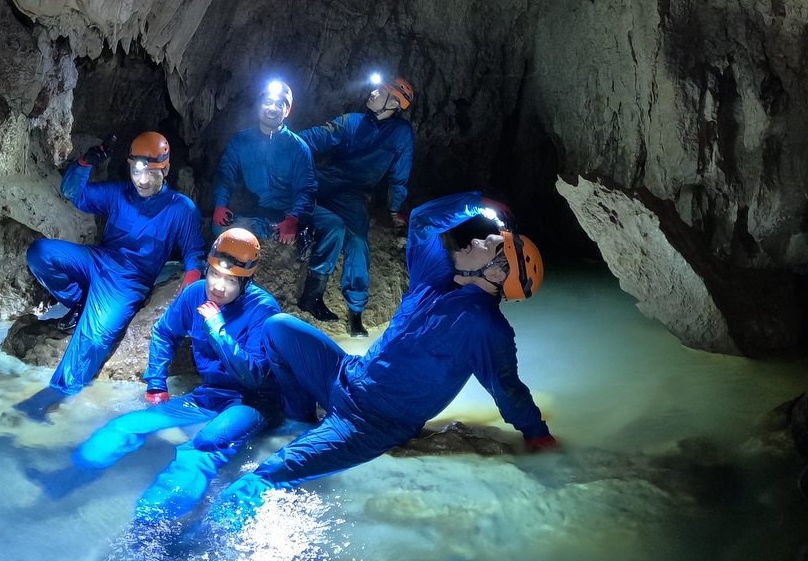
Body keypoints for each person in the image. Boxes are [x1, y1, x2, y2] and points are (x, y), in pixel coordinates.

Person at [205, 192, 556, 524]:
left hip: (372, 422)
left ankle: (191, 545)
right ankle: (300, 419)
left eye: (490, 245)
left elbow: (507, 389)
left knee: (269, 474)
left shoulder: (484, 326)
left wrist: (538, 436)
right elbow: (421, 221)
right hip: (346, 375)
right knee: (277, 327)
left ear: (496, 273)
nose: (477, 239)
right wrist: (474, 203)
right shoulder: (437, 277)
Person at [44, 228, 283, 527]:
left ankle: (151, 524)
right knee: (124, 426)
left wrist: (217, 328)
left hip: (252, 401)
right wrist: (156, 381)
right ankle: (70, 478)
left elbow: (255, 377)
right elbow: (164, 332)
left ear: (246, 282)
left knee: (203, 446)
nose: (218, 287)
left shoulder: (262, 310)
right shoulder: (196, 293)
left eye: (231, 280)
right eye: (214, 274)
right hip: (210, 394)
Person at [14, 131, 205, 418]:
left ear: (165, 168)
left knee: (95, 335)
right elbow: (73, 193)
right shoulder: (119, 193)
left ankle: (54, 395)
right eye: (135, 170)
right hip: (98, 259)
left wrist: (191, 278)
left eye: (150, 172)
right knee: (40, 253)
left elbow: (194, 252)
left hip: (128, 280)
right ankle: (79, 302)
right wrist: (84, 163)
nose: (141, 179)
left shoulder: (180, 208)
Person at [296, 74, 416, 334]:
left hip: (353, 193)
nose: (372, 92)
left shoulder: (401, 134)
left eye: (380, 91)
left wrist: (395, 208)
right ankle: (312, 292)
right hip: (324, 179)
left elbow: (400, 174)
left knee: (358, 241)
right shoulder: (352, 121)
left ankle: (355, 312)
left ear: (394, 104)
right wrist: (286, 141)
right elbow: (318, 136)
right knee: (299, 191)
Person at [211, 79, 315, 244]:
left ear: (287, 111)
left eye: (279, 104)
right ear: (259, 105)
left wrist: (293, 218)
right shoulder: (241, 140)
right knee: (219, 230)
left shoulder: (298, 148)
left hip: (285, 212)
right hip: (254, 209)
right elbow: (225, 176)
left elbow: (306, 190)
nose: (272, 108)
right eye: (268, 102)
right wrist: (220, 205)